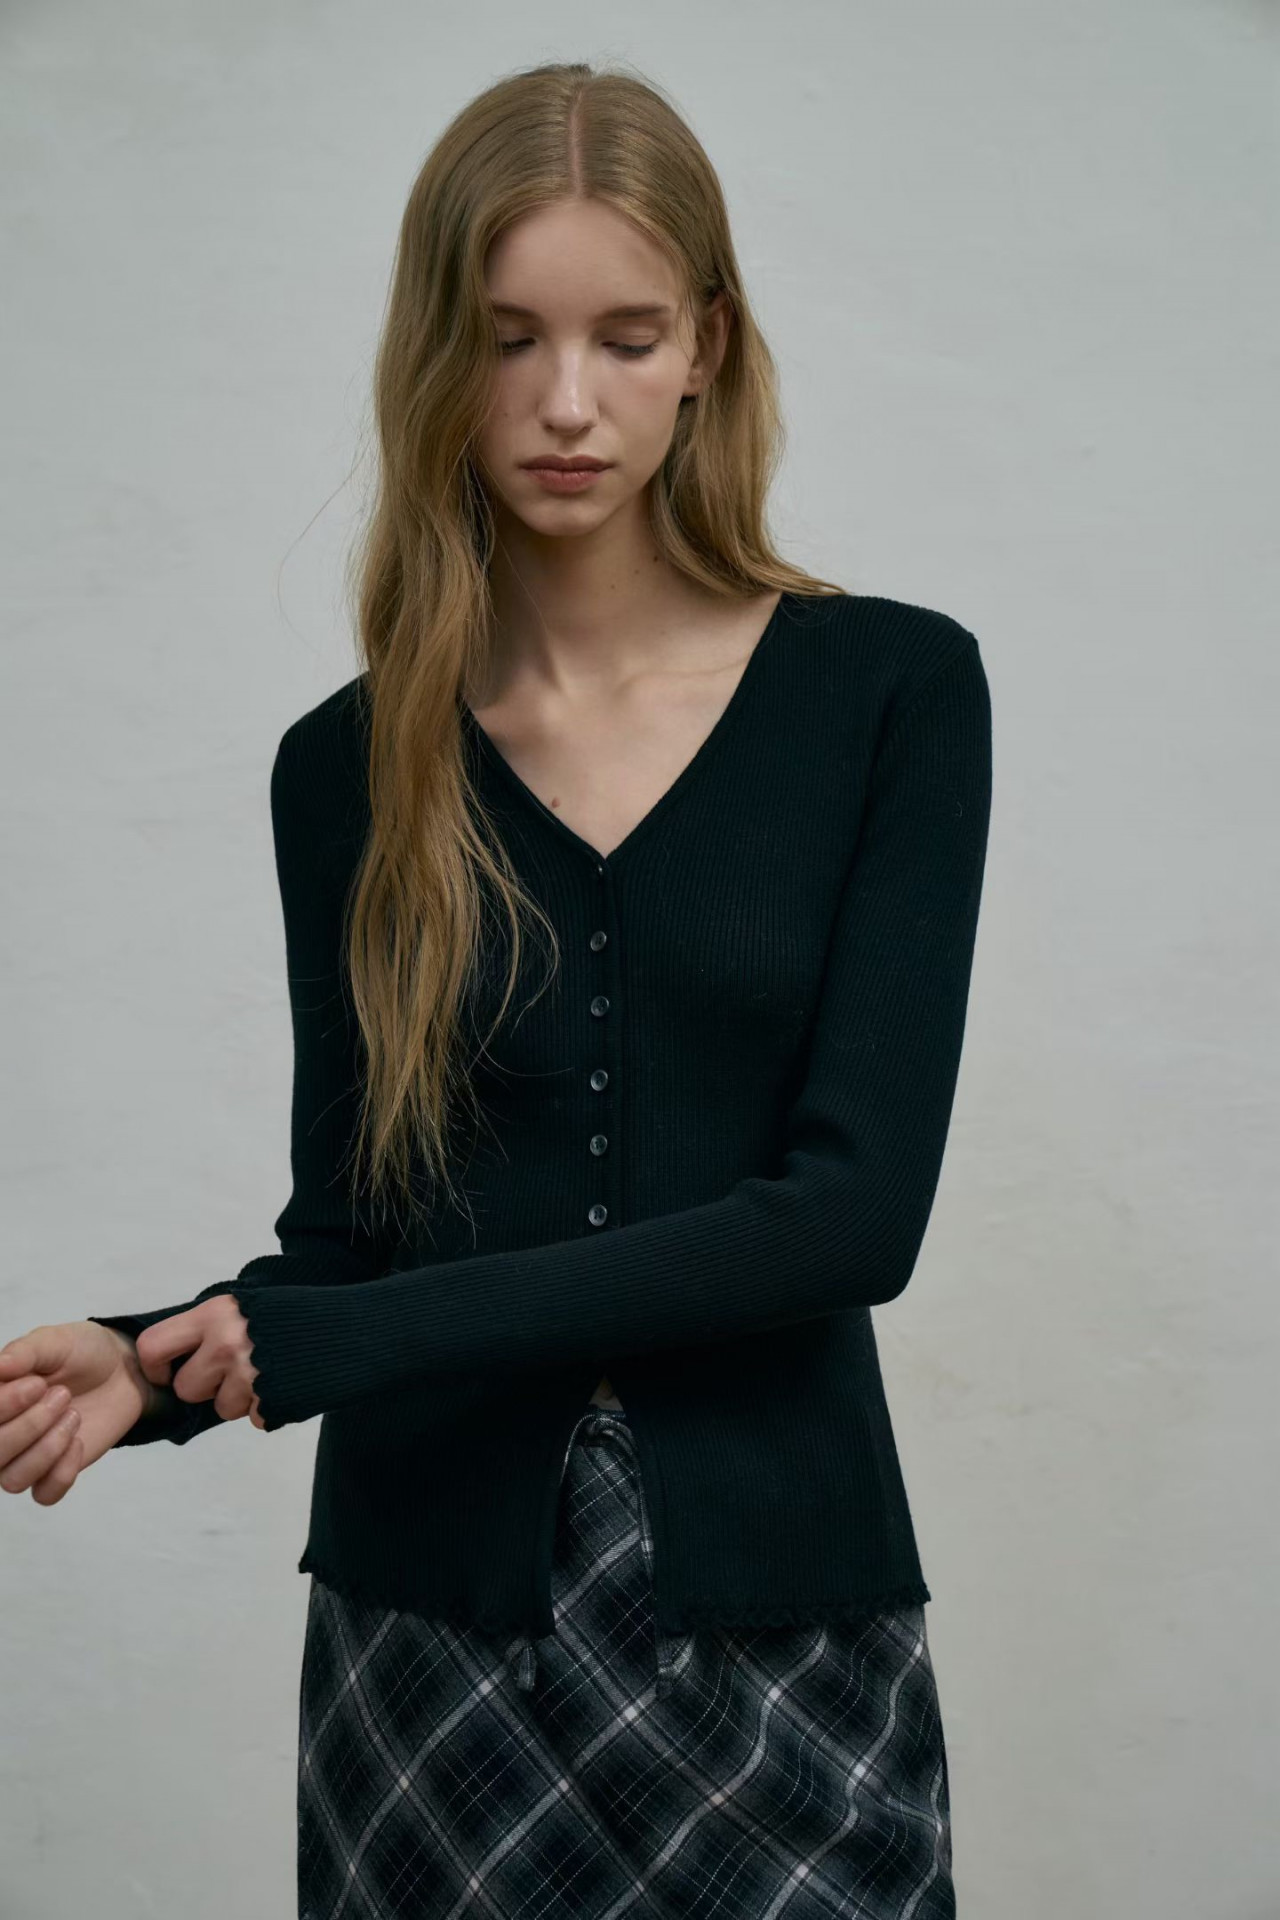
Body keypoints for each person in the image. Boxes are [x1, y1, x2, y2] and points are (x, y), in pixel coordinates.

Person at [1, 59, 992, 1920]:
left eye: (626, 337)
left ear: (707, 348)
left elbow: (851, 1220)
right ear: (435, 358)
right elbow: (353, 1240)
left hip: (781, 1617)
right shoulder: (344, 769)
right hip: (428, 1643)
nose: (566, 401)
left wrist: (341, 1343)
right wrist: (152, 1365)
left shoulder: (893, 695)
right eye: (509, 337)